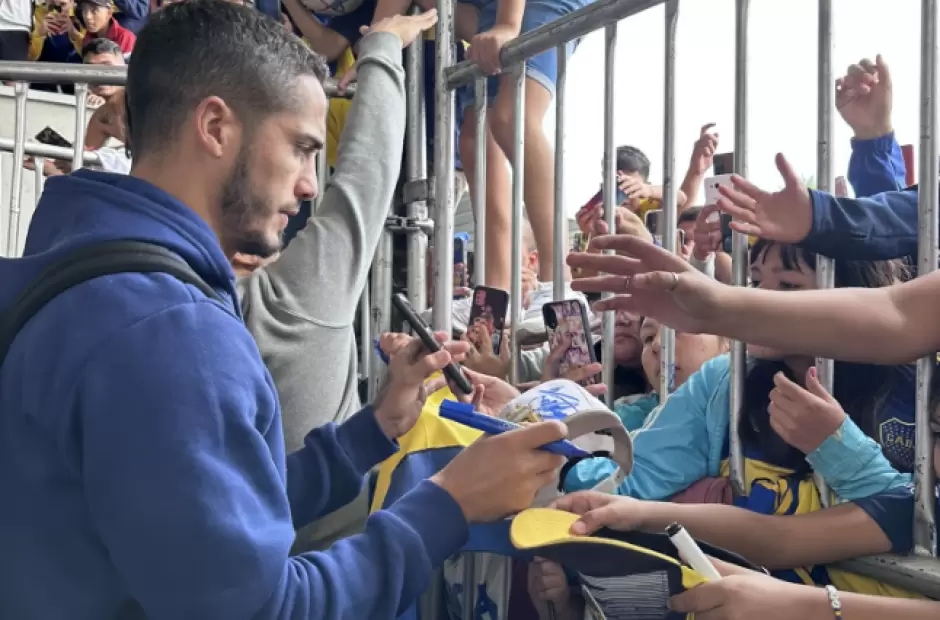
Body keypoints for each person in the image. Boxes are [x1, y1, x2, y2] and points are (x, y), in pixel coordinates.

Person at [0, 3, 571, 618]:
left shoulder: (82, 270)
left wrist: (369, 433)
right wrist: (449, 504)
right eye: (301, 148)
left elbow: (200, 522)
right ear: (215, 127)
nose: (307, 183)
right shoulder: (171, 331)